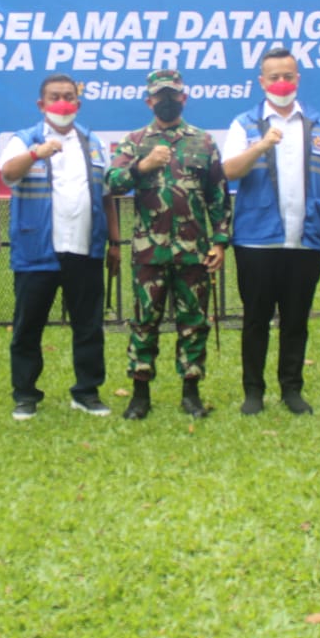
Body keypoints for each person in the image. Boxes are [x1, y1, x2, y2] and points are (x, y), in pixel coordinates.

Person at [221, 47, 320, 416]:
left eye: (288, 75)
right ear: (261, 81)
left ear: (298, 79)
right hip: (257, 240)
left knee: (296, 321)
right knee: (256, 319)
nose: (281, 82)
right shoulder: (244, 123)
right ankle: (253, 392)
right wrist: (261, 145)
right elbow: (228, 170)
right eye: (273, 76)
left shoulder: (318, 124)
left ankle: (292, 389)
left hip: (305, 240)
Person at [106, 68, 230, 420]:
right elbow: (113, 182)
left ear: (184, 98)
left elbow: (218, 196)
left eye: (172, 95)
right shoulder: (135, 141)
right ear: (149, 101)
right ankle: (140, 394)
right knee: (144, 322)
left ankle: (190, 393)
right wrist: (142, 165)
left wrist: (220, 242)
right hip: (149, 251)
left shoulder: (203, 142)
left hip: (193, 252)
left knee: (193, 323)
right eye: (159, 96)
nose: (166, 101)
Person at [0, 73, 121, 421]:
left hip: (85, 249)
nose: (62, 103)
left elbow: (108, 195)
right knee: (28, 328)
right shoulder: (24, 140)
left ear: (78, 104)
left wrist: (114, 242)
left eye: (68, 97)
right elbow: (8, 173)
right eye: (55, 97)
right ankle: (25, 395)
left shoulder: (94, 143)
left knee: (88, 325)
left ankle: (86, 393)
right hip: (37, 250)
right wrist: (36, 153)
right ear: (41, 105)